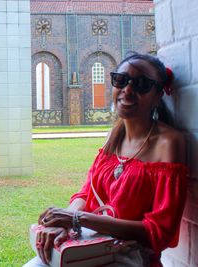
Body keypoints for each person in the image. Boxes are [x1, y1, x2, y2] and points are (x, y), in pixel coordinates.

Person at [24, 53, 188, 267]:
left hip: (129, 255)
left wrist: (77, 220)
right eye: (121, 80)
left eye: (141, 84)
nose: (128, 90)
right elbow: (85, 194)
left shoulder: (168, 143)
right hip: (90, 244)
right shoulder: (114, 136)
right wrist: (63, 221)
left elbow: (160, 231)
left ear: (158, 95)